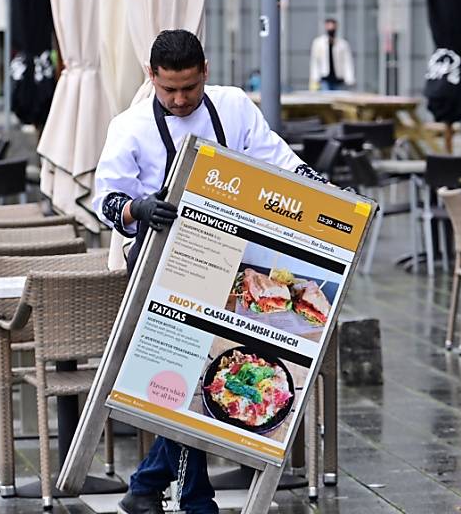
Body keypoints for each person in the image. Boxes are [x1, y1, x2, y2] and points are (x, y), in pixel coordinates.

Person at [93, 29, 326, 514]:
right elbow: (107, 202)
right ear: (150, 78)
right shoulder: (129, 126)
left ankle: (147, 486)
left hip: (232, 259)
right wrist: (138, 207)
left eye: (189, 88)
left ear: (206, 73)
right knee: (186, 368)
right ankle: (197, 501)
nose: (180, 100)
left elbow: (278, 160)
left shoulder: (235, 107)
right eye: (168, 90)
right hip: (160, 263)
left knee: (203, 372)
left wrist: (319, 190)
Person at [309, 18, 355, 91]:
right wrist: (314, 78)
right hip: (324, 78)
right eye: (329, 26)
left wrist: (350, 78)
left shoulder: (343, 44)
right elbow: (315, 61)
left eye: (333, 26)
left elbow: (347, 62)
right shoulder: (318, 43)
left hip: (339, 79)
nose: (331, 28)